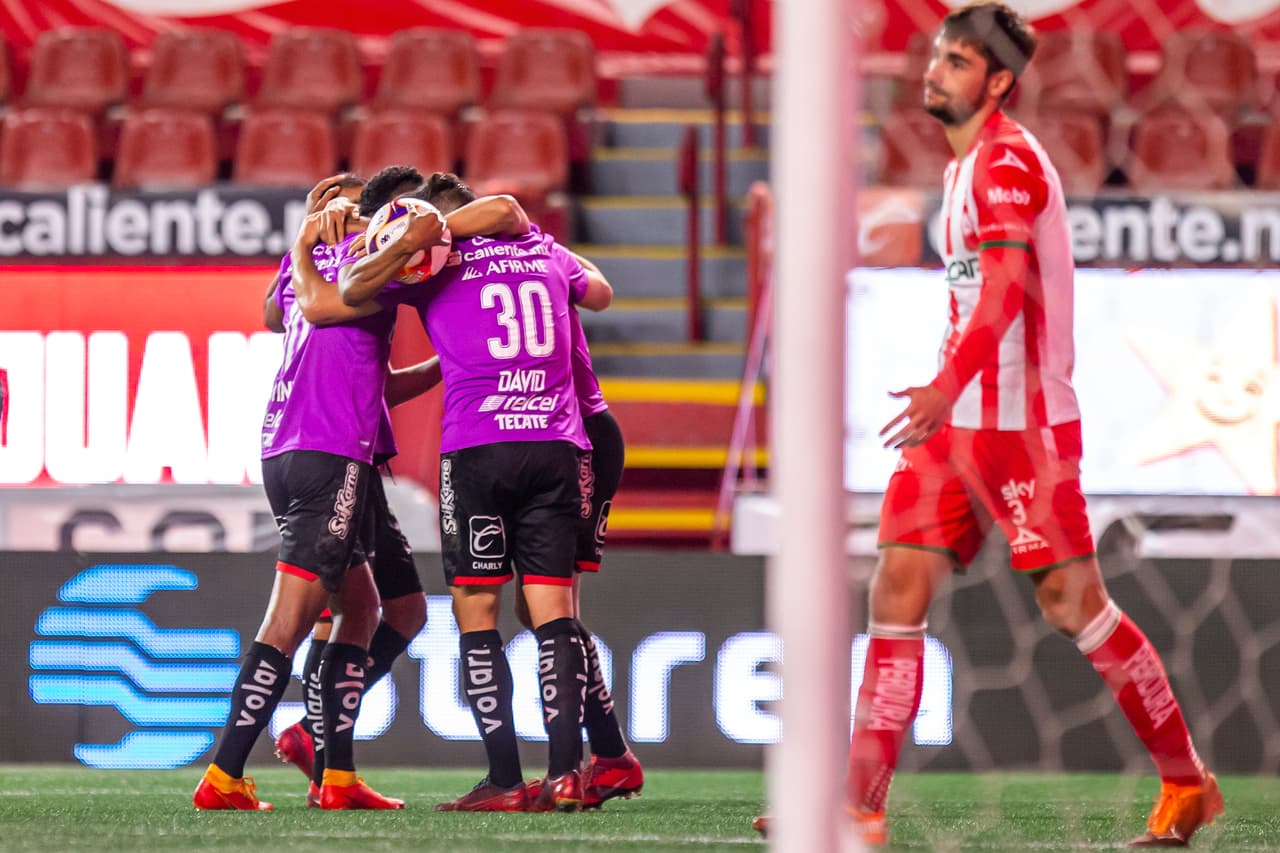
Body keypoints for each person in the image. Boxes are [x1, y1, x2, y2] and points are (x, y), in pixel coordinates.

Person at [757, 3, 1222, 847]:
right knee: (896, 587)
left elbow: (1005, 293)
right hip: (953, 428)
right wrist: (947, 395)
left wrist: (944, 385)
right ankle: (858, 807)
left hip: (1021, 429)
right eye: (937, 56)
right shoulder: (961, 167)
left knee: (1075, 605)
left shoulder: (1007, 162)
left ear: (999, 81)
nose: (935, 72)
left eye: (958, 62)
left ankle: (1187, 781)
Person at [339, 172, 612, 813]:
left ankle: (505, 780)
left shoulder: (430, 263)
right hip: (557, 444)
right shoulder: (542, 249)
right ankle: (566, 775)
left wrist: (400, 239)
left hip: (478, 449)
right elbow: (599, 292)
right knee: (554, 611)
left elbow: (351, 291)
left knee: (476, 610)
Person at [192, 191, 445, 812]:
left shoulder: (314, 264)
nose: (349, 219)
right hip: (331, 453)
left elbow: (277, 313)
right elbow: (308, 306)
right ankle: (223, 777)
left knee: (365, 608)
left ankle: (336, 776)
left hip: (293, 449)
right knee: (291, 622)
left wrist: (306, 241)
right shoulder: (363, 268)